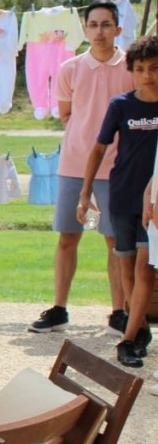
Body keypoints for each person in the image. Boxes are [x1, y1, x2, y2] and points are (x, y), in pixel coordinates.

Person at [30, 0, 132, 335]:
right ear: (85, 29)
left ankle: (119, 310)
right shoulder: (70, 68)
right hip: (73, 164)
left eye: (106, 25)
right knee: (67, 237)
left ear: (118, 29)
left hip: (117, 167)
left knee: (114, 242)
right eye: (94, 25)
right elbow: (66, 113)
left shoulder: (132, 67)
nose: (100, 32)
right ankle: (59, 308)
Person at [78, 35, 158, 367]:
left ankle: (126, 341)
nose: (147, 75)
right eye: (140, 69)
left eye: (154, 68)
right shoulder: (122, 105)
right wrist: (85, 192)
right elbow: (99, 147)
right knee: (126, 265)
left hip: (153, 203)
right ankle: (137, 328)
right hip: (122, 195)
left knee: (144, 267)